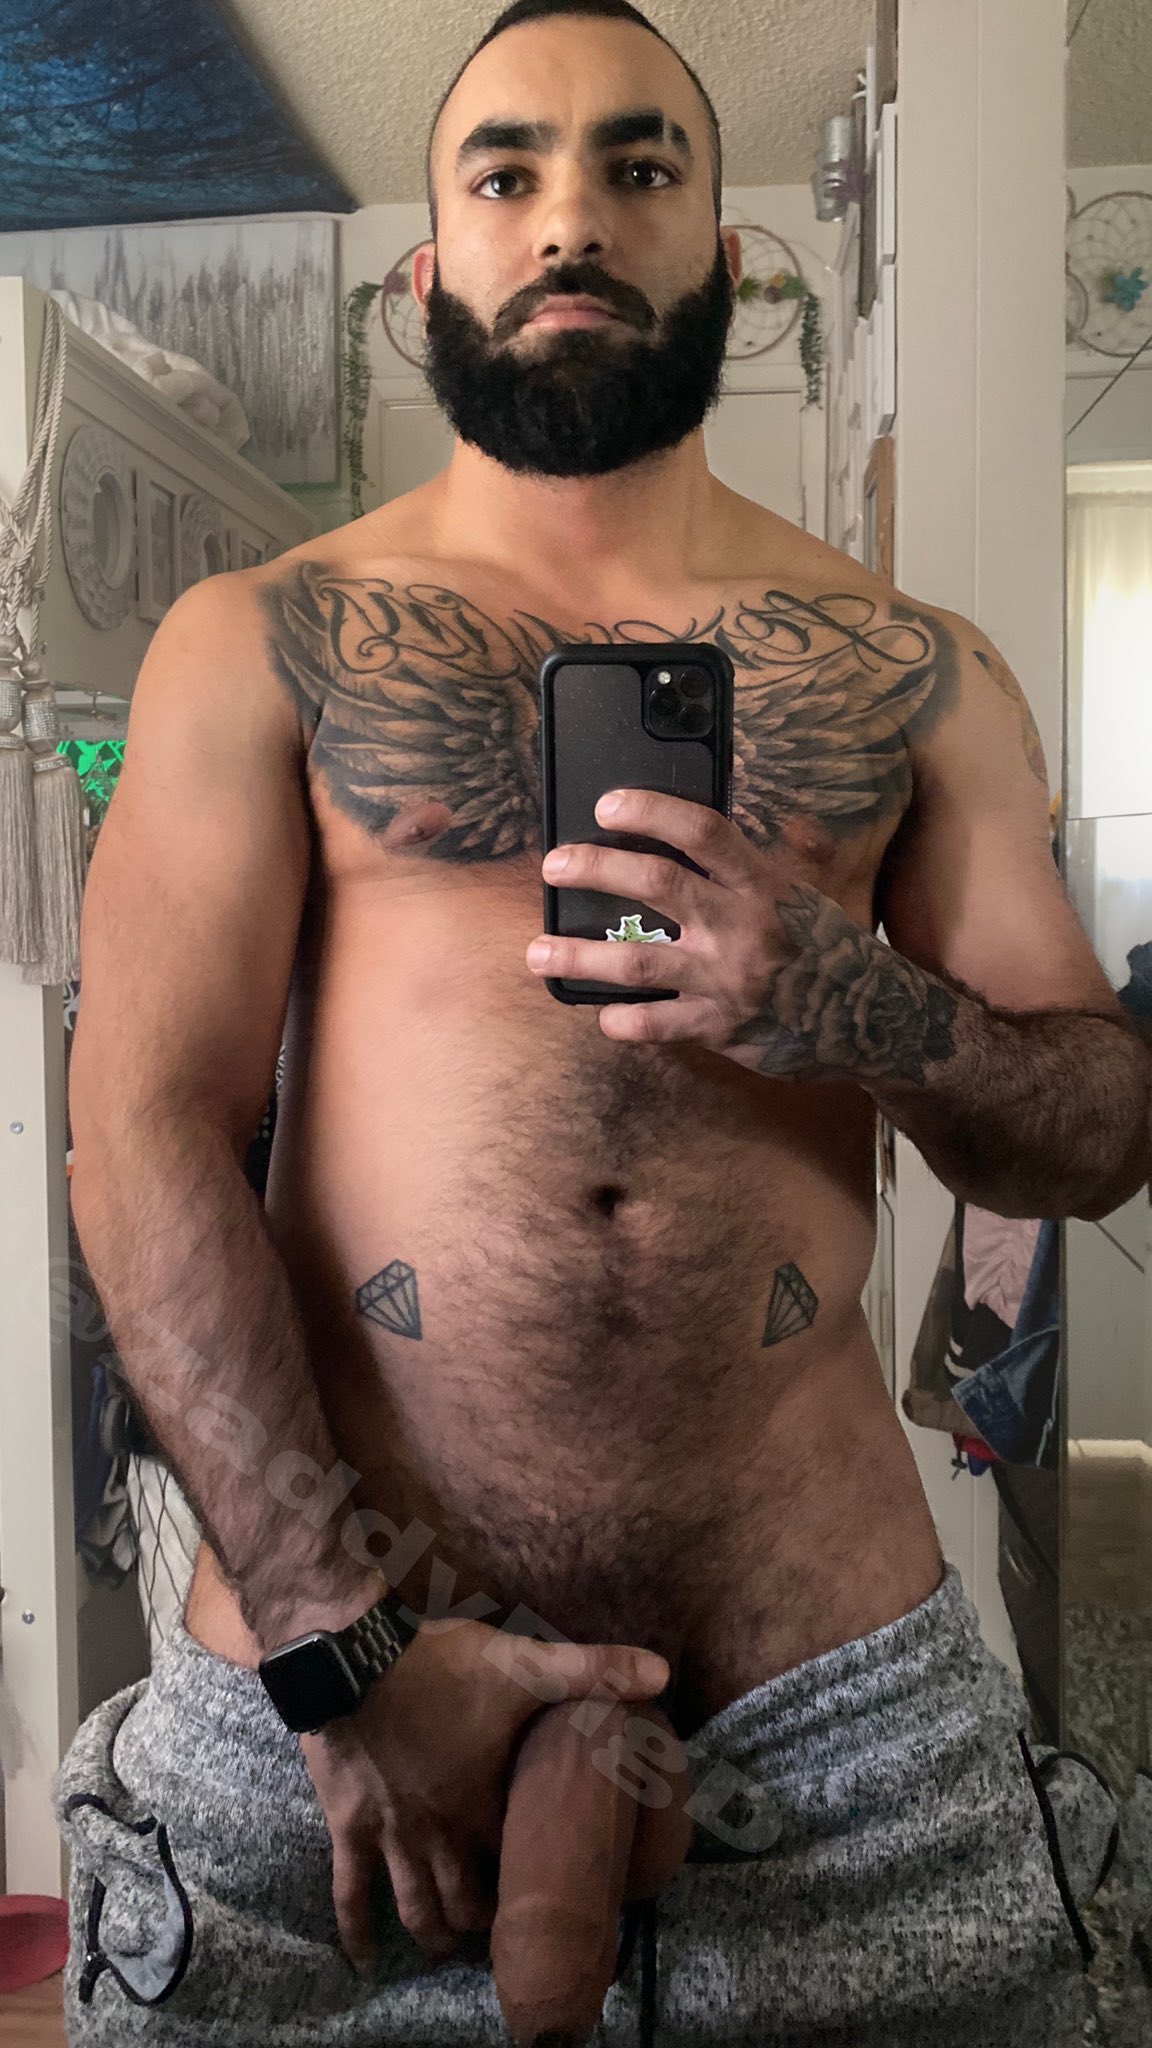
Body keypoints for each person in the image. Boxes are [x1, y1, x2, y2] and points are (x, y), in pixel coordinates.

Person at [55, 2, 1151, 2044]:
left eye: (640, 167)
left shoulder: (916, 671)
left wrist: (855, 1003)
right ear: (429, 274)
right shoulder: (260, 643)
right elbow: (136, 1138)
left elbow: (1097, 1125)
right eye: (510, 173)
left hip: (833, 1724)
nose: (572, 218)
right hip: (340, 1685)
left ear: (729, 257)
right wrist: (337, 1646)